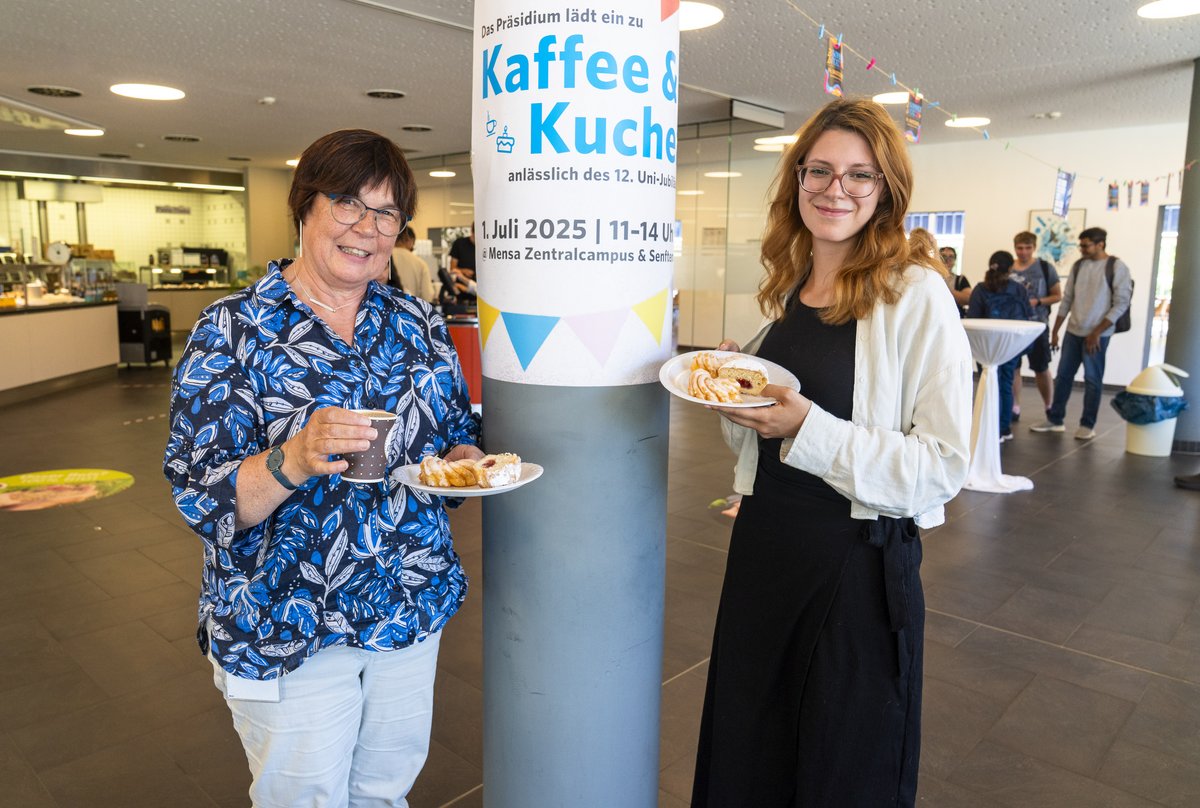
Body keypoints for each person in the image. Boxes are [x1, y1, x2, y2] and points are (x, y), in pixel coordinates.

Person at [163, 129, 482, 807]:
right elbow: (202, 497)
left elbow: (456, 435)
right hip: (286, 619)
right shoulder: (232, 330)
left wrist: (465, 463)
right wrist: (295, 457)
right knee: (304, 797)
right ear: (305, 205)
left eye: (387, 212)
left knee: (385, 791)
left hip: (407, 599)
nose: (367, 228)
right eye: (348, 203)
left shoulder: (418, 323)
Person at [690, 98, 973, 808]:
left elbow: (942, 465)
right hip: (767, 550)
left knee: (840, 768)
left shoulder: (915, 294)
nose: (834, 189)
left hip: (855, 566)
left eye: (858, 175)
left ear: (885, 190)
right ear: (797, 179)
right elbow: (765, 435)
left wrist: (805, 427)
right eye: (818, 170)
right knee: (751, 752)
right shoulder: (791, 288)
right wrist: (737, 397)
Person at [1031, 227, 1133, 440]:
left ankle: (1088, 424)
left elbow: (1121, 303)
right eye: (1081, 245)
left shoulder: (1116, 267)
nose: (1082, 249)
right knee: (1063, 376)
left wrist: (1096, 333)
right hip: (1073, 331)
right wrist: (1056, 331)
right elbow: (1067, 299)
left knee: (1093, 379)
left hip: (1098, 335)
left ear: (1100, 244)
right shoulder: (1079, 266)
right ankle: (1055, 419)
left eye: (1086, 245)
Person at [966, 250, 1036, 442]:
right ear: (1011, 268)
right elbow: (1027, 317)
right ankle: (1004, 428)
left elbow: (972, 318)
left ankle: (987, 428)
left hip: (986, 346)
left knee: (987, 381)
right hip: (1010, 345)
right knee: (1006, 383)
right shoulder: (1018, 290)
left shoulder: (981, 289)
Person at [1009, 231, 1062, 422]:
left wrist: (1038, 301)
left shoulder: (1045, 268)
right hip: (1013, 325)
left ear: (1034, 248)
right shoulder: (1009, 268)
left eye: (1027, 248)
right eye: (1020, 248)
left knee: (1041, 367)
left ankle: (1049, 406)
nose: (1023, 252)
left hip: (1038, 325)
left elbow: (1057, 295)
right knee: (1013, 367)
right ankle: (1015, 406)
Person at [389, 225, 437, 303]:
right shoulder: (420, 264)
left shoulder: (384, 259)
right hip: (411, 308)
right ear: (410, 240)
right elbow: (427, 296)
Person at [939, 245, 971, 315]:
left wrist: (944, 290)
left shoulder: (961, 279)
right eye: (944, 256)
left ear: (955, 260)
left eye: (951, 257)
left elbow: (968, 298)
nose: (947, 260)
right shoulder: (932, 278)